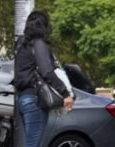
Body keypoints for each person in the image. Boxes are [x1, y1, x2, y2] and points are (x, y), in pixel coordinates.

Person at [13, 11, 74, 147]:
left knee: (31, 143)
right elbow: (47, 72)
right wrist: (65, 93)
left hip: (23, 98)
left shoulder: (22, 44)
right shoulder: (39, 44)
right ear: (44, 26)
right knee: (34, 144)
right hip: (35, 100)